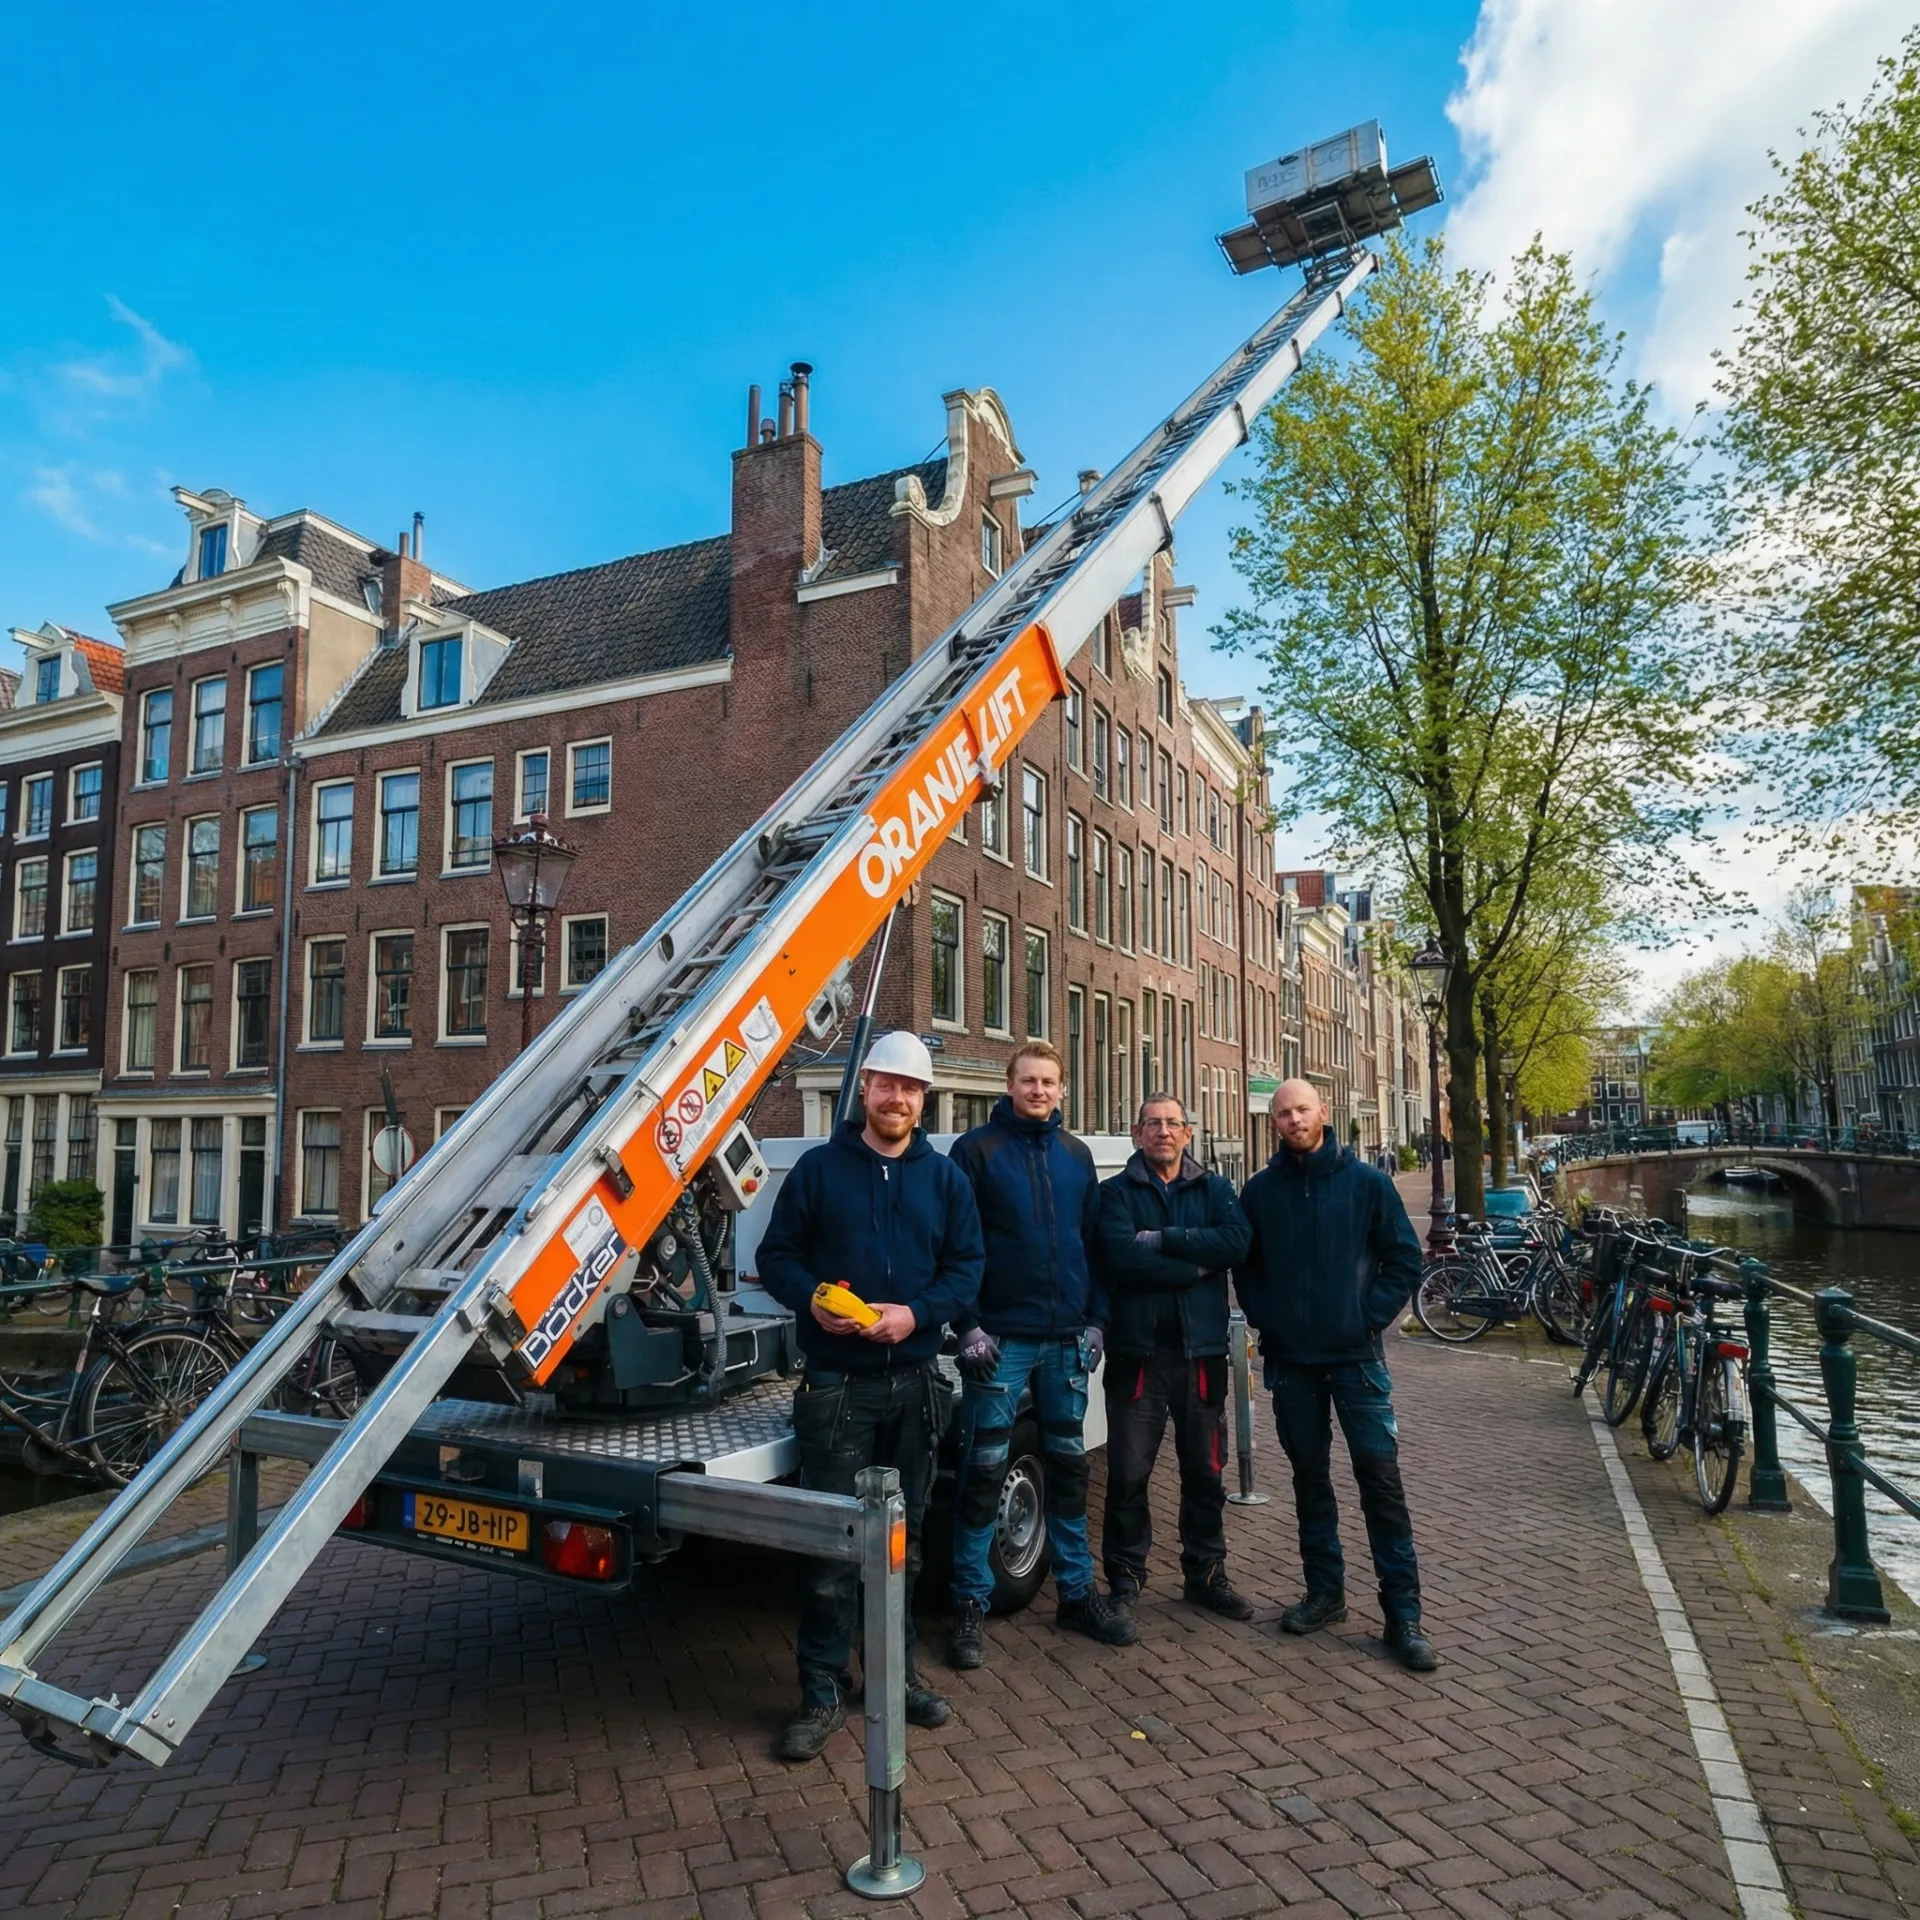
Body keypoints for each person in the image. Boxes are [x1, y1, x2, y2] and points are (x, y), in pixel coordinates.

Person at [755, 1031, 985, 1762]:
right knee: (830, 1550)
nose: (896, 1098)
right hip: (837, 1389)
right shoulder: (821, 1171)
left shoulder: (946, 1180)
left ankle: (895, 1675)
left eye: (910, 1088)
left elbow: (967, 1269)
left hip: (916, 1388)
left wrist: (918, 1315)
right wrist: (808, 1302)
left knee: (905, 1548)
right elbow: (777, 1258)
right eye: (885, 1084)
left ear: (924, 1097)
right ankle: (821, 1691)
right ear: (866, 1091)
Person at [1234, 1078, 1438, 1672]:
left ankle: (1404, 1615)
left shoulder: (1368, 1184)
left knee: (1381, 1482)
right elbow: (1247, 1268)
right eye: (1283, 1113)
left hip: (1356, 1360)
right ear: (1273, 1123)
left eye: (1302, 1109)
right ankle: (1325, 1594)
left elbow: (1405, 1258)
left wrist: (1366, 1318)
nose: (1294, 1120)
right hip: (1292, 1362)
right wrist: (1265, 1316)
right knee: (1309, 1480)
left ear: (1323, 1111)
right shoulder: (1262, 1192)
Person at [945, 1042, 1135, 1670]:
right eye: (1028, 1080)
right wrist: (967, 1325)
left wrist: (1097, 1319)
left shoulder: (1077, 1156)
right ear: (1009, 1083)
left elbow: (1093, 1246)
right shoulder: (974, 1152)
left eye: (1049, 1081)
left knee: (1068, 1465)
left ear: (1062, 1089)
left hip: (1067, 1339)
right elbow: (956, 1246)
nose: (1039, 1090)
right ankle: (970, 1600)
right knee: (983, 1469)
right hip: (1001, 1339)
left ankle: (1077, 1594)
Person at [1094, 1093, 1254, 1620]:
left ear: (1188, 1133)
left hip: (1200, 1354)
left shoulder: (1215, 1188)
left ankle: (1206, 1575)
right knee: (1127, 1473)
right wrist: (1193, 1266)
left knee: (1206, 1472)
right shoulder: (1114, 1194)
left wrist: (1165, 1239)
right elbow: (1121, 1257)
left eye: (1173, 1124)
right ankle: (1124, 1579)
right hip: (1137, 1356)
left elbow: (1235, 1244)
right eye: (1152, 1124)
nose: (1163, 1131)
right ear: (1137, 1134)